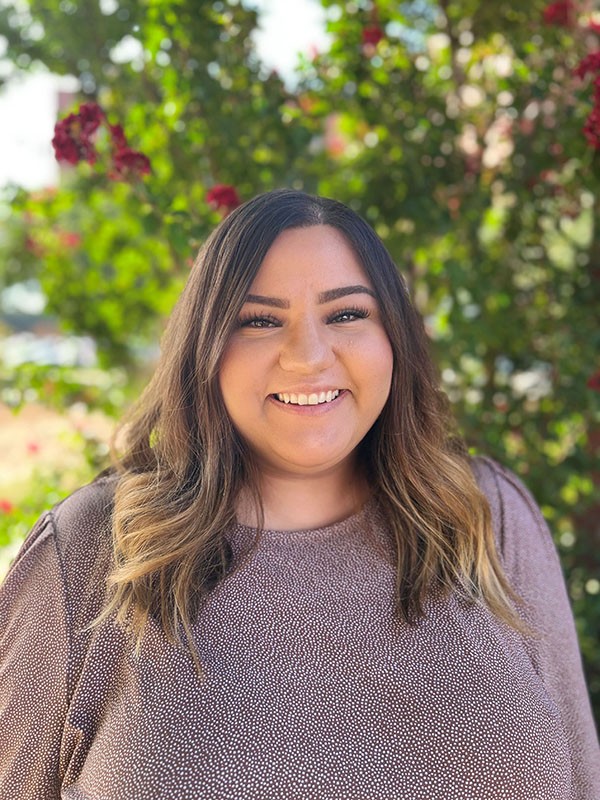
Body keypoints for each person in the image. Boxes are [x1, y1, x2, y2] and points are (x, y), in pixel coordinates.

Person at [0, 189, 598, 799]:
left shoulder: (485, 517)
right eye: (260, 320)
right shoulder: (95, 554)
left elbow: (580, 778)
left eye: (345, 315)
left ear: (394, 337)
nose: (309, 357)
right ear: (205, 349)